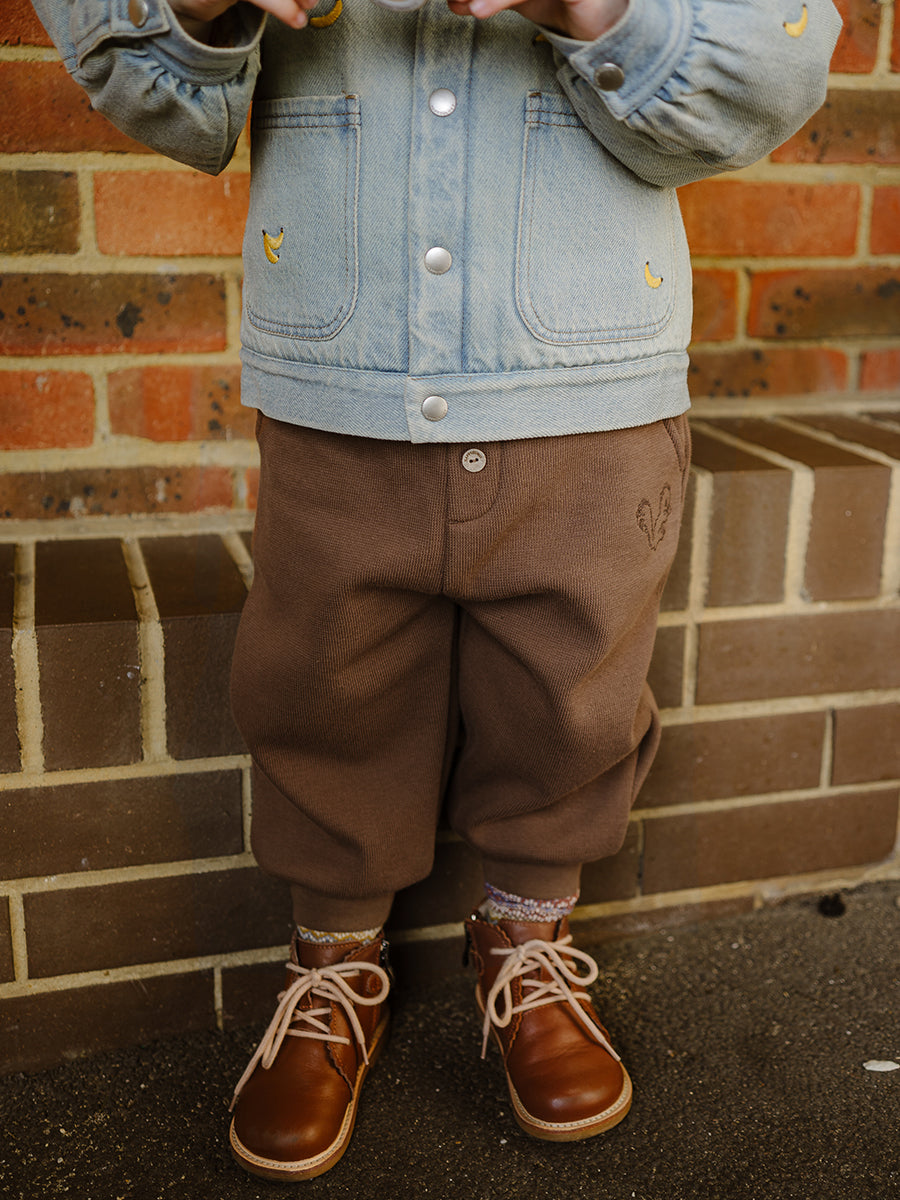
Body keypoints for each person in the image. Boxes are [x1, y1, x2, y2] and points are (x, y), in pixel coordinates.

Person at [32, 0, 840, 1181]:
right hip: (342, 381)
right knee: (325, 683)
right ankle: (333, 963)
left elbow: (783, 56)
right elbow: (139, 74)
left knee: (573, 692)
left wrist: (593, 8)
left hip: (591, 383)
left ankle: (528, 942)